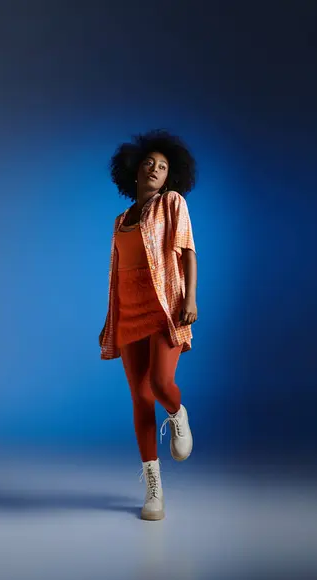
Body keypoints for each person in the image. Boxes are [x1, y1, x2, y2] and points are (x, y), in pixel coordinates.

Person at [99, 130, 198, 521]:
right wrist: (111, 320)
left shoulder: (172, 203)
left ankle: (178, 414)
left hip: (165, 307)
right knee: (140, 400)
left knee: (160, 384)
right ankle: (154, 489)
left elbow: (188, 251)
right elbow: (116, 276)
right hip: (128, 313)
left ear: (170, 176)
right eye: (149, 164)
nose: (155, 169)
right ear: (135, 170)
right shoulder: (121, 220)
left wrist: (189, 299)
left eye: (163, 166)